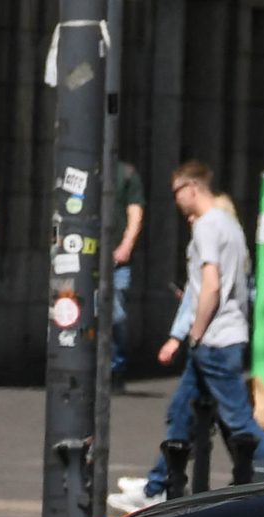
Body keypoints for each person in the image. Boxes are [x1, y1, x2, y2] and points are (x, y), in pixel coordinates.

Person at [142, 162, 259, 500]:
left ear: (191, 188)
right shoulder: (230, 224)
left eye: (177, 193)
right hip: (221, 337)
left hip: (214, 340)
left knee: (238, 421)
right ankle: (158, 485)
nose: (176, 201)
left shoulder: (208, 226)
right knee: (181, 411)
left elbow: (210, 286)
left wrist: (194, 333)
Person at [109, 160, 145, 390]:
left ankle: (116, 367)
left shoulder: (126, 174)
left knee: (117, 315)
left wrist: (127, 245)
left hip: (117, 259)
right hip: (87, 256)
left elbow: (135, 211)